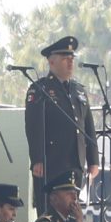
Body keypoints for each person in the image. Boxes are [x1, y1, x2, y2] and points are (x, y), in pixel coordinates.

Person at [23, 35, 91, 208]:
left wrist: (93, 160)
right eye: (65, 59)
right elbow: (33, 126)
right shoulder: (40, 89)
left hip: (76, 161)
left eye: (72, 59)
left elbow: (88, 126)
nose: (70, 63)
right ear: (52, 62)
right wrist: (37, 158)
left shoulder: (79, 90)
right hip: (52, 162)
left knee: (73, 210)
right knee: (50, 210)